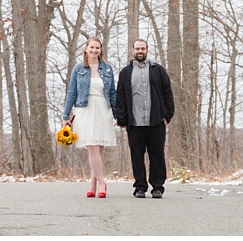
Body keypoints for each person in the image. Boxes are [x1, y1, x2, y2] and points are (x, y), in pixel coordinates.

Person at [113, 38, 174, 198]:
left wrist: (167, 115)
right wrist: (122, 119)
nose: (140, 51)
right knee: (137, 155)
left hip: (156, 121)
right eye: (137, 49)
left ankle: (158, 187)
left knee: (157, 154)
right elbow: (120, 97)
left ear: (147, 50)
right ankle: (140, 186)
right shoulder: (126, 73)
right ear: (133, 51)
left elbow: (168, 94)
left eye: (143, 49)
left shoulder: (158, 70)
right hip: (135, 122)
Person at [61, 36, 117, 198]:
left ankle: (92, 183)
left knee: (99, 147)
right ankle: (102, 182)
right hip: (84, 109)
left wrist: (117, 114)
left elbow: (112, 92)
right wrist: (66, 115)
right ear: (86, 49)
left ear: (101, 51)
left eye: (97, 48)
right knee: (91, 146)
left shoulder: (107, 69)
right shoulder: (78, 69)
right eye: (91, 47)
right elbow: (72, 92)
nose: (94, 50)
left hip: (102, 109)